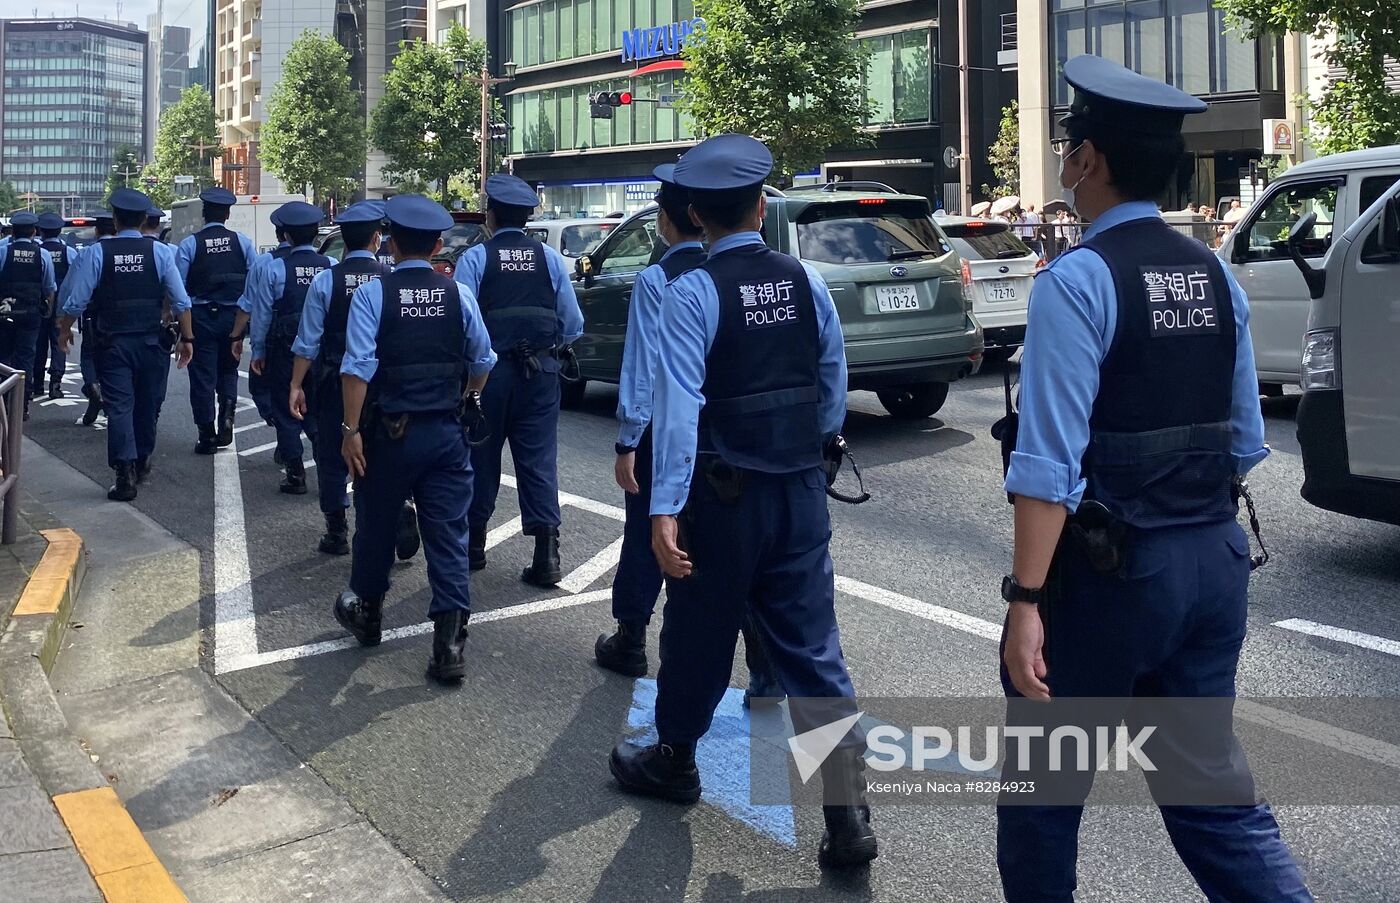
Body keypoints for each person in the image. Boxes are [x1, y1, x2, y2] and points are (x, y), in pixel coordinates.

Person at [995, 55, 1312, 903]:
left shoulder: (1077, 281)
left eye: (1069, 142)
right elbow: (1246, 441)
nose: (1065, 158)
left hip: (1110, 580)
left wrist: (1026, 601)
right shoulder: (1215, 277)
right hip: (1213, 561)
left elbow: (1048, 466)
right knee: (1214, 798)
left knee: (1043, 798)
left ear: (1088, 161)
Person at [606, 134, 877, 870]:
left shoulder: (692, 291)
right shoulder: (804, 279)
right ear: (762, 206)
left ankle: (673, 758)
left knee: (697, 633)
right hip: (798, 493)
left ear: (694, 214)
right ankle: (846, 810)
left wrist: (665, 511)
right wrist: (810, 448)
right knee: (814, 649)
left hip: (723, 500)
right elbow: (832, 380)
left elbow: (681, 406)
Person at [333, 194, 495, 683]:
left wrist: (350, 430)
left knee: (377, 526)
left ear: (391, 244)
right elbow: (484, 360)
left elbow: (357, 368)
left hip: (388, 435)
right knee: (448, 535)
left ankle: (368, 612)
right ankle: (449, 646)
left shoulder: (372, 295)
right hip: (446, 434)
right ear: (439, 245)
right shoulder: (457, 295)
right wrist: (465, 393)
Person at [595, 164, 708, 676]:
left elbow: (642, 367)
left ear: (667, 221)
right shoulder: (723, 275)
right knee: (716, 536)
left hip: (663, 430)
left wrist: (627, 440)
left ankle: (631, 636)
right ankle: (760, 661)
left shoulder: (657, 279)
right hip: (717, 432)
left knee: (645, 531)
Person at [454, 174, 583, 587]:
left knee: (480, 457)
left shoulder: (476, 259)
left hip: (488, 376)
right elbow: (573, 323)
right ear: (527, 218)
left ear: (490, 215)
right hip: (540, 375)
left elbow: (464, 324)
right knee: (538, 461)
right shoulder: (548, 258)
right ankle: (547, 555)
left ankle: (473, 549)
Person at [289, 201, 420, 559]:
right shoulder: (391, 281)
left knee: (333, 455)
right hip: (387, 384)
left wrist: (296, 384)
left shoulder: (325, 281)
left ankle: (336, 531)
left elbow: (307, 341)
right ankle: (398, 509)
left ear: (343, 241)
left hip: (336, 383)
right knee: (385, 451)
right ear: (378, 239)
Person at [57, 188, 194, 499]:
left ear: (115, 220)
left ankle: (124, 474)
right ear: (145, 220)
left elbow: (77, 301)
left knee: (119, 406)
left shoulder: (96, 254)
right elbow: (181, 302)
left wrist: (64, 330)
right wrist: (187, 338)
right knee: (148, 404)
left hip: (113, 343)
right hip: (152, 342)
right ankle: (142, 458)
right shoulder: (160, 252)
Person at [243, 201, 332, 494]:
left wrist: (257, 350)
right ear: (316, 233)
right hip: (322, 352)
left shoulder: (275, 267)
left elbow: (262, 314)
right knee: (319, 409)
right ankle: (326, 467)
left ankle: (295, 474)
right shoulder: (330, 266)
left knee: (285, 408)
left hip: (285, 349)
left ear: (285, 235)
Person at [177, 187, 255, 455]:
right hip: (234, 318)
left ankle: (207, 435)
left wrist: (181, 330)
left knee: (202, 377)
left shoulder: (190, 244)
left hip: (201, 318)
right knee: (229, 370)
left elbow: (179, 291)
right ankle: (228, 416)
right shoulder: (242, 243)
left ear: (203, 213)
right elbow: (252, 284)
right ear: (227, 214)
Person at [0, 212, 56, 418]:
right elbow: (49, 286)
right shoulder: (42, 255)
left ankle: (3, 401)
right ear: (34, 232)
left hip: (5, 312)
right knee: (26, 358)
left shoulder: (3, 252)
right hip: (31, 313)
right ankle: (21, 405)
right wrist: (48, 309)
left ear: (13, 232)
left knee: (3, 357)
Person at [237, 215, 288, 429]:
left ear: (281, 234)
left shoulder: (266, 263)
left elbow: (254, 306)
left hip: (275, 341)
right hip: (317, 346)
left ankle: (287, 441)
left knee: (263, 388)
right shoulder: (326, 264)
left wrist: (250, 343)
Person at [35, 212, 76, 401]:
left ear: (40, 231)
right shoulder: (69, 252)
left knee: (38, 343)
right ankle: (55, 384)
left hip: (39, 304)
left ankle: (36, 384)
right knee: (59, 343)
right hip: (62, 306)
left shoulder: (36, 251)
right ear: (60, 231)